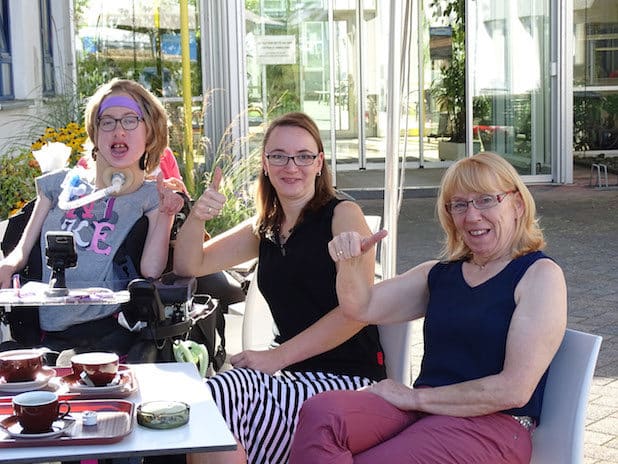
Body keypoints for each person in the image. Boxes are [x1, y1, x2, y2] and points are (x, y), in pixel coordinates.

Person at [288, 151, 567, 464]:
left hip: (493, 427)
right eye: (459, 204)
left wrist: (415, 397)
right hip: (424, 413)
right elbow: (359, 308)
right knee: (321, 413)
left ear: (516, 204)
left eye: (486, 200)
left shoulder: (539, 275)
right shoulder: (440, 273)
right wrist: (350, 263)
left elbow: (513, 389)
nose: (472, 216)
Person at [173, 112, 386, 464]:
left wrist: (277, 357)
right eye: (279, 156)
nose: (292, 166)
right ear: (265, 164)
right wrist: (198, 216)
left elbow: (357, 312)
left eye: (303, 156)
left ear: (319, 163)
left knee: (213, 399)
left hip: (346, 381)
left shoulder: (342, 214)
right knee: (206, 405)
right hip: (288, 380)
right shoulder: (268, 226)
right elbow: (189, 265)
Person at [0, 78, 183, 356]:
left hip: (104, 331)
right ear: (95, 134)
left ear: (150, 133)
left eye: (130, 120)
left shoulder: (150, 196)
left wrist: (167, 215)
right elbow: (21, 252)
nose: (118, 130)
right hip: (46, 328)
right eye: (106, 121)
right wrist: (6, 265)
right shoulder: (59, 185)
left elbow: (151, 270)